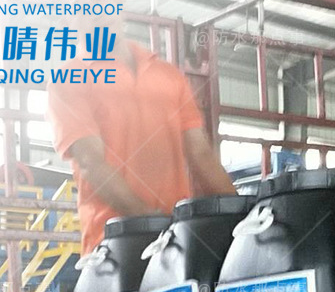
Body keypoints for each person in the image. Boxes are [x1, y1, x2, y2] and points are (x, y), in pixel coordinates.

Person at [47, 35, 236, 255]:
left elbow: (200, 153)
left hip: (171, 242)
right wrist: (154, 222)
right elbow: (91, 162)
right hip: (114, 247)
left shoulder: (168, 75)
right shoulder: (69, 79)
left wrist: (242, 213)